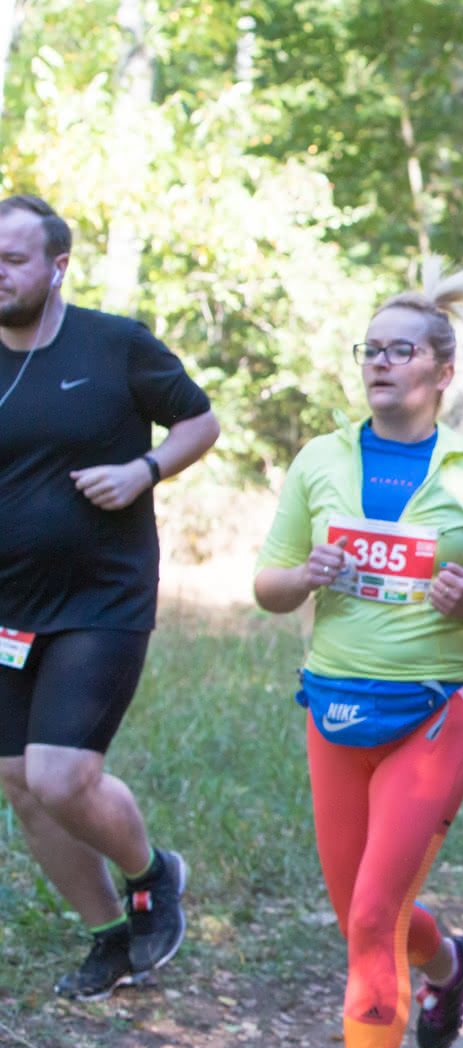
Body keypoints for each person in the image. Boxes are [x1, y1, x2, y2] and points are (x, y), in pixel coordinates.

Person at [253, 266, 463, 1048]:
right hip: (334, 709)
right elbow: (267, 584)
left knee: (372, 916)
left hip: (433, 713)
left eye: (400, 350)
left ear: (442, 372)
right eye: (371, 349)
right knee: (357, 911)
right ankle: (450, 963)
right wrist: (304, 575)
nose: (380, 362)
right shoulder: (320, 459)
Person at [0, 195, 218, 1000]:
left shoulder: (115, 343)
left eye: (12, 259)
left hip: (102, 596)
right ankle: (110, 936)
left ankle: (153, 872)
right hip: (8, 607)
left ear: (57, 266)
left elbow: (200, 422)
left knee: (61, 774)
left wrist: (143, 471)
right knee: (21, 782)